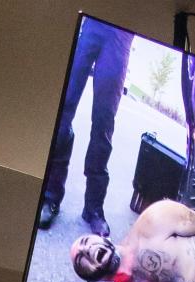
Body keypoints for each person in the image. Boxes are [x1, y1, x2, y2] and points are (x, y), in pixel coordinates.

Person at [38, 17, 135, 236]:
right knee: (63, 112)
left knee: (103, 123)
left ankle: (93, 208)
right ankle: (51, 197)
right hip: (92, 22)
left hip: (121, 34)